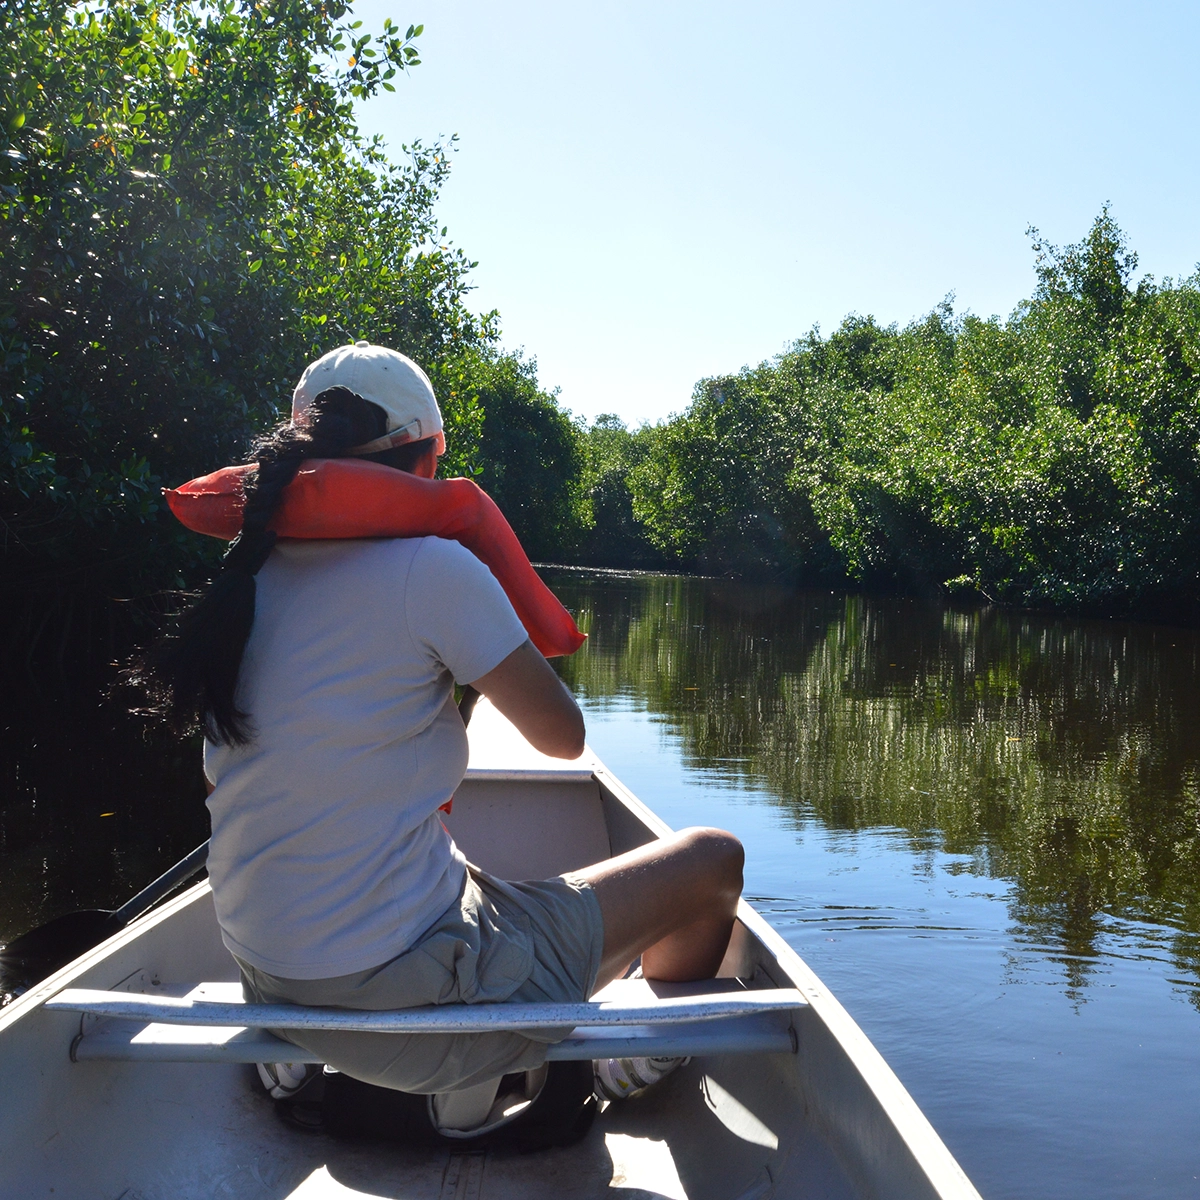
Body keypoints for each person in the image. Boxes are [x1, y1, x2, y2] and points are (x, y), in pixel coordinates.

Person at [150, 341, 744, 1104]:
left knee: (452, 870)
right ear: (422, 461)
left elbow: (225, 770)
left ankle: (294, 1045)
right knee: (711, 862)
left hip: (266, 974)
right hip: (402, 1011)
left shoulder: (241, 584)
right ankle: (632, 1066)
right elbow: (563, 738)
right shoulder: (434, 570)